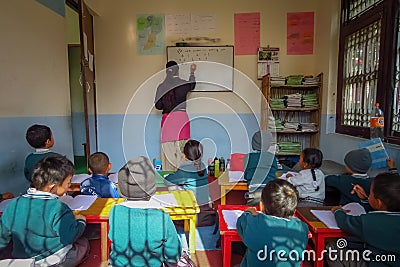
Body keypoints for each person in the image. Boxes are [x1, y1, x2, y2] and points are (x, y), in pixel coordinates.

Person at [0, 156, 89, 266]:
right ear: (52, 187)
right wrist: (81, 222)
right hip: (52, 259)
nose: (69, 186)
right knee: (84, 243)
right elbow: (69, 237)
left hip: (22, 260)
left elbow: (2, 238)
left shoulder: (13, 205)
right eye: (68, 182)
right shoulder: (58, 207)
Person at [108, 156, 181, 267]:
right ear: (152, 189)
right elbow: (173, 253)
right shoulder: (162, 218)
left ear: (122, 189)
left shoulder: (114, 212)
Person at [326, 172, 400, 267]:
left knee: (333, 248)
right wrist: (367, 199)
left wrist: (337, 211)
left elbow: (345, 222)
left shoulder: (371, 221)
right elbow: (381, 211)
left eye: (371, 192)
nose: (369, 194)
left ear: (378, 202)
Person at [236, 179, 309, 267]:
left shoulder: (255, 223)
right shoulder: (302, 227)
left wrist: (249, 212)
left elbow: (241, 222)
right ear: (293, 211)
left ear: (261, 206)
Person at [154, 61, 197, 171]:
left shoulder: (161, 87)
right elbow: (192, 85)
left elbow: (158, 106)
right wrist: (192, 73)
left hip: (167, 122)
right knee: (184, 152)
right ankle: (183, 178)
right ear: (177, 70)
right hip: (181, 121)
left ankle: (169, 180)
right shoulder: (183, 84)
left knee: (168, 155)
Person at [164, 140, 215, 226]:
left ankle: (178, 216)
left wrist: (176, 172)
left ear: (185, 155)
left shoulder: (185, 170)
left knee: (172, 187)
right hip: (206, 212)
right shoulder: (202, 166)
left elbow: (167, 181)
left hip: (193, 213)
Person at [243, 130, 278, 206]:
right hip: (270, 193)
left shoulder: (248, 157)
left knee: (251, 212)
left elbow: (246, 175)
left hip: (254, 193)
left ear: (253, 143)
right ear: (268, 144)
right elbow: (275, 171)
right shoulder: (272, 157)